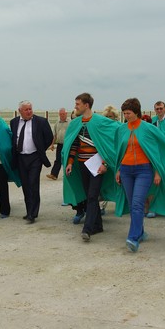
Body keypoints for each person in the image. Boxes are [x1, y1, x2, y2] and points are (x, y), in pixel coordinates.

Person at [115, 98, 165, 252]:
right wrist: (118, 169)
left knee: (138, 203)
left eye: (129, 113)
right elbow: (119, 151)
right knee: (132, 205)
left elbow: (160, 150)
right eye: (124, 113)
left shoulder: (149, 129)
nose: (126, 116)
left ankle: (133, 237)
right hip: (126, 171)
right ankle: (141, 232)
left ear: (136, 112)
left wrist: (158, 171)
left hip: (144, 171)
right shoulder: (121, 129)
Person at [62, 93, 122, 241]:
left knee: (92, 196)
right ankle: (98, 226)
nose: (75, 106)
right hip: (82, 165)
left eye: (77, 104)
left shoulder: (101, 121)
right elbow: (74, 144)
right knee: (90, 196)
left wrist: (105, 164)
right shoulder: (76, 123)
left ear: (86, 105)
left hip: (97, 166)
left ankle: (87, 229)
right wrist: (70, 162)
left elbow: (110, 143)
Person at [10, 100, 53, 224]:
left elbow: (49, 137)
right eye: (26, 109)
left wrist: (40, 150)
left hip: (35, 158)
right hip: (21, 158)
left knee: (33, 183)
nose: (29, 112)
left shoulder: (41, 122)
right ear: (20, 111)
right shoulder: (14, 122)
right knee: (25, 185)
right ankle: (29, 210)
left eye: (30, 109)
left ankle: (32, 213)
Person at [98, 104, 120, 216]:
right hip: (104, 157)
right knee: (104, 183)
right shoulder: (101, 128)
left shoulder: (119, 126)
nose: (109, 118)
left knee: (117, 182)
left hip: (115, 158)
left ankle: (120, 204)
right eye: (107, 116)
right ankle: (102, 205)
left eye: (111, 116)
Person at [46, 108, 69, 180]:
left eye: (63, 114)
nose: (62, 115)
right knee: (58, 159)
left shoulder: (70, 122)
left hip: (67, 144)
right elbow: (55, 135)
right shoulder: (57, 123)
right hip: (59, 144)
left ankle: (68, 175)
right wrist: (52, 144)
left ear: (66, 114)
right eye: (60, 114)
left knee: (67, 160)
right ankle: (54, 174)